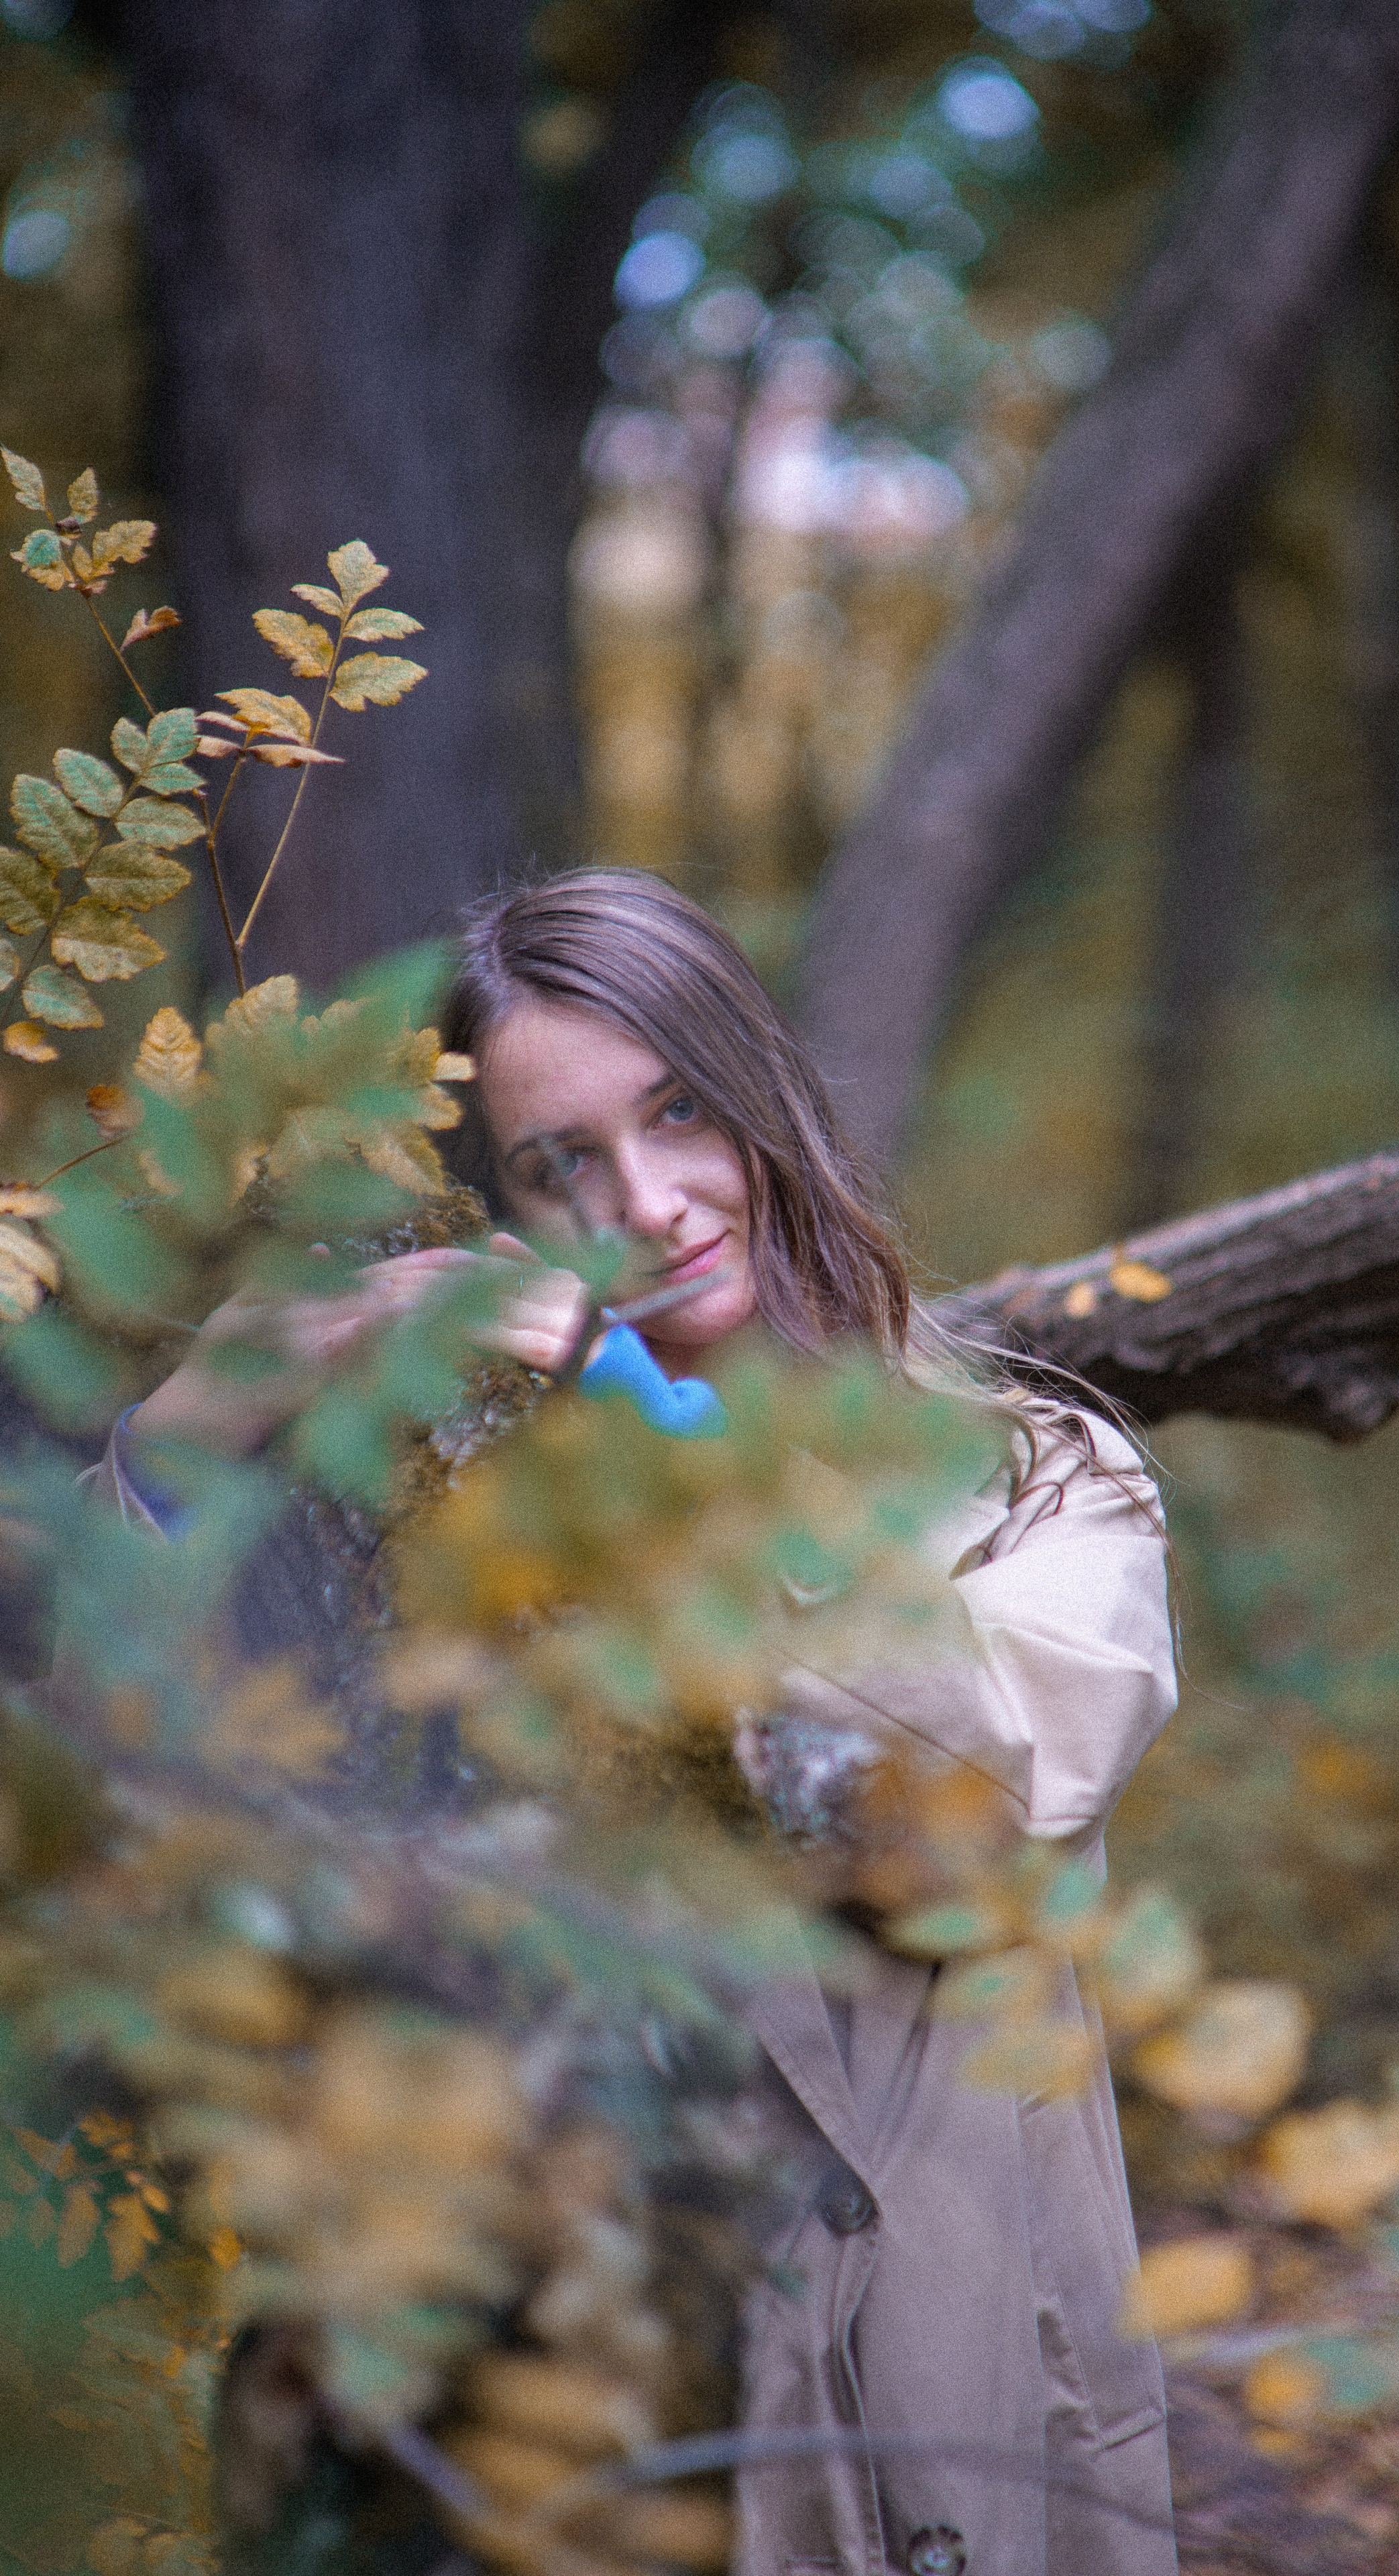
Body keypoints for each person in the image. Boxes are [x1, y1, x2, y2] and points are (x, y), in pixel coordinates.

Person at [119, 868, 1180, 2576]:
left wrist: (678, 1464)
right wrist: (225, 1398)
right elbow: (98, 1720)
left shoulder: (1032, 1484)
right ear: (504, 1213)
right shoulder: (445, 1533)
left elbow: (963, 1804)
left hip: (959, 2404)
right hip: (591, 2427)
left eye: (681, 1112)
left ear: (763, 1102)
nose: (653, 1203)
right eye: (564, 1165)